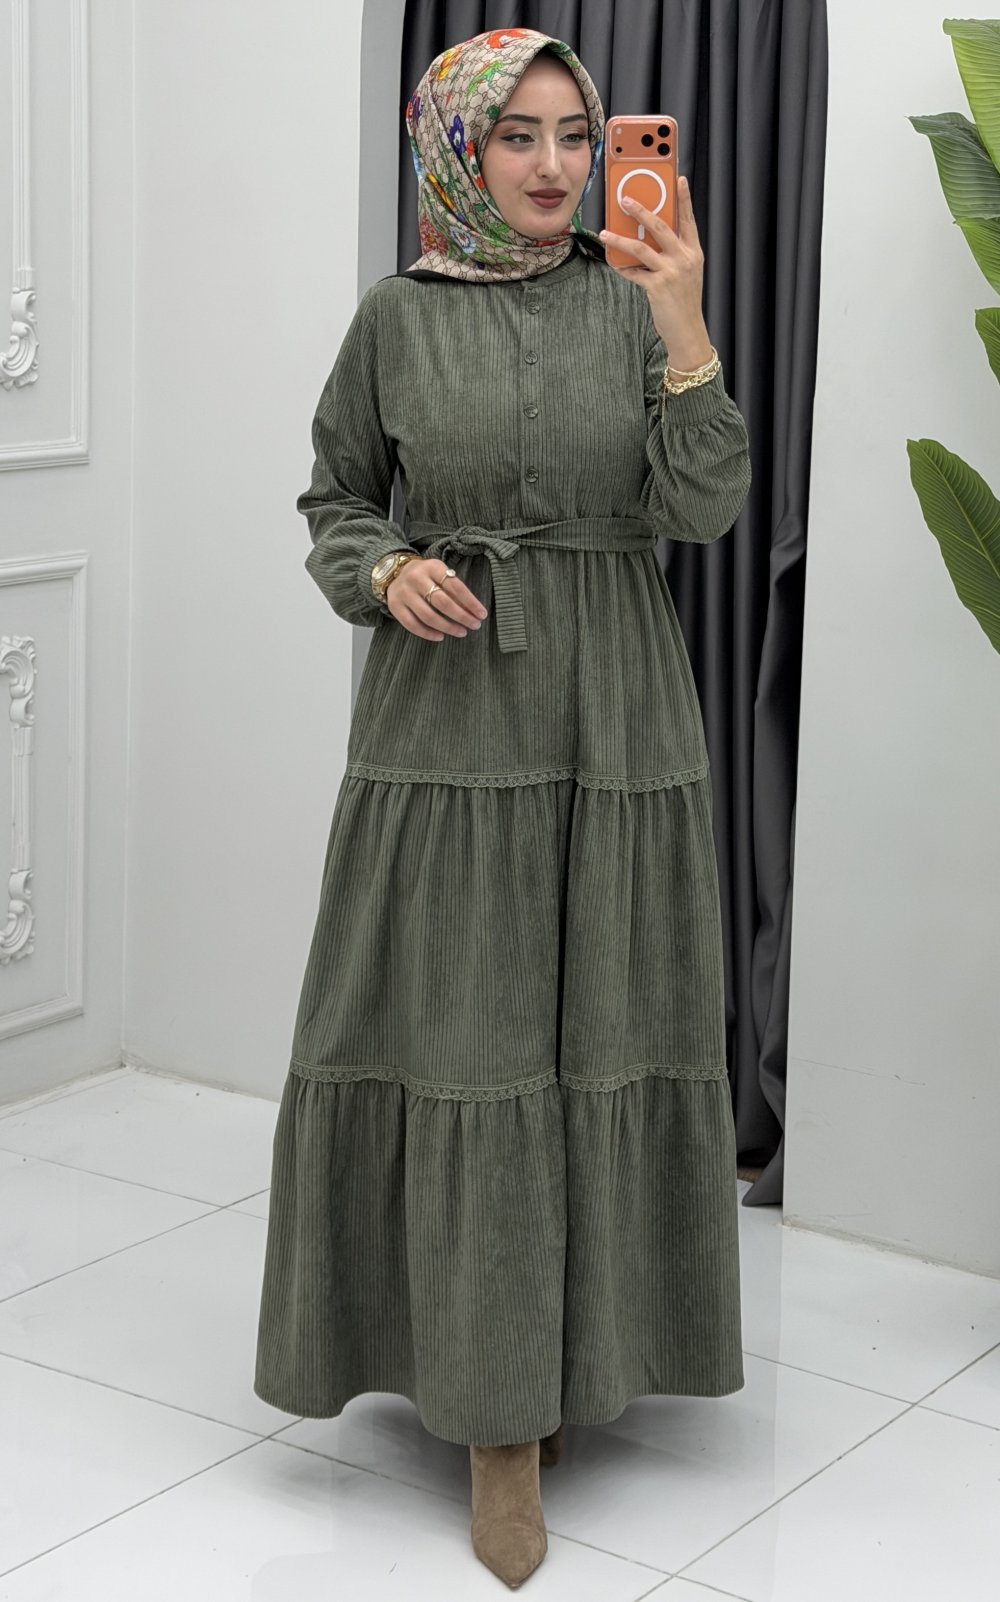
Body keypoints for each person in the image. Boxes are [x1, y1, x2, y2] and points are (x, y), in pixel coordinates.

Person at [254, 26, 752, 1591]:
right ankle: (491, 1419)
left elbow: (705, 504)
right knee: (466, 1043)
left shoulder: (635, 298)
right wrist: (385, 569)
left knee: (607, 1024)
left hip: (618, 714)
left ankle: (585, 1352)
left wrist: (684, 322)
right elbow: (337, 496)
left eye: (575, 134)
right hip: (450, 718)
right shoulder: (393, 317)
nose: (553, 165)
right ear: (456, 151)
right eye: (517, 136)